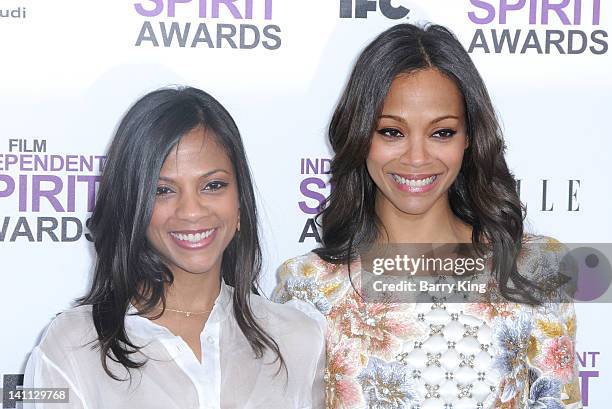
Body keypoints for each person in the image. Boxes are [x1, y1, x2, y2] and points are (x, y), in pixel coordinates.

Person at [273, 24, 582, 409]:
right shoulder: (309, 288)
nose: (416, 158)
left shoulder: (534, 271)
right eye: (391, 132)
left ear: (469, 137)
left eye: (441, 133)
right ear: (359, 135)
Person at [24, 87, 325, 409]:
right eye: (163, 190)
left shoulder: (298, 337)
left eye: (213, 186)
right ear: (132, 204)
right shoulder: (72, 345)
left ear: (240, 203)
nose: (192, 211)